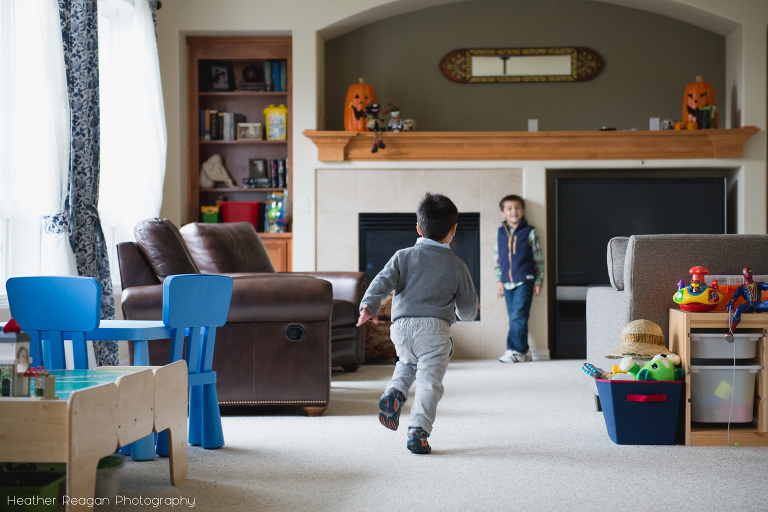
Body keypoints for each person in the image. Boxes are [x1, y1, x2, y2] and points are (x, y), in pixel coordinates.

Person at [356, 192, 478, 454]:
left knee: (407, 364)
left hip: (400, 328)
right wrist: (464, 312)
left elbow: (381, 280)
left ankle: (395, 393)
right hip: (434, 330)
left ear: (418, 228)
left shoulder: (403, 256)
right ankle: (418, 432)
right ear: (454, 230)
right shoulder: (458, 266)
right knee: (429, 381)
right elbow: (467, 311)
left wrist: (369, 305)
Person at [495, 194, 543, 363]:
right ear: (503, 213)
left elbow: (538, 258)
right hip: (507, 283)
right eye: (509, 209)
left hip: (525, 280)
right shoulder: (500, 233)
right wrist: (498, 280)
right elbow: (498, 259)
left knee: (518, 316)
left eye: (517, 208)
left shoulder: (529, 231)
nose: (513, 211)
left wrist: (538, 280)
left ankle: (515, 350)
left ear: (523, 211)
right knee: (515, 316)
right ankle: (524, 351)